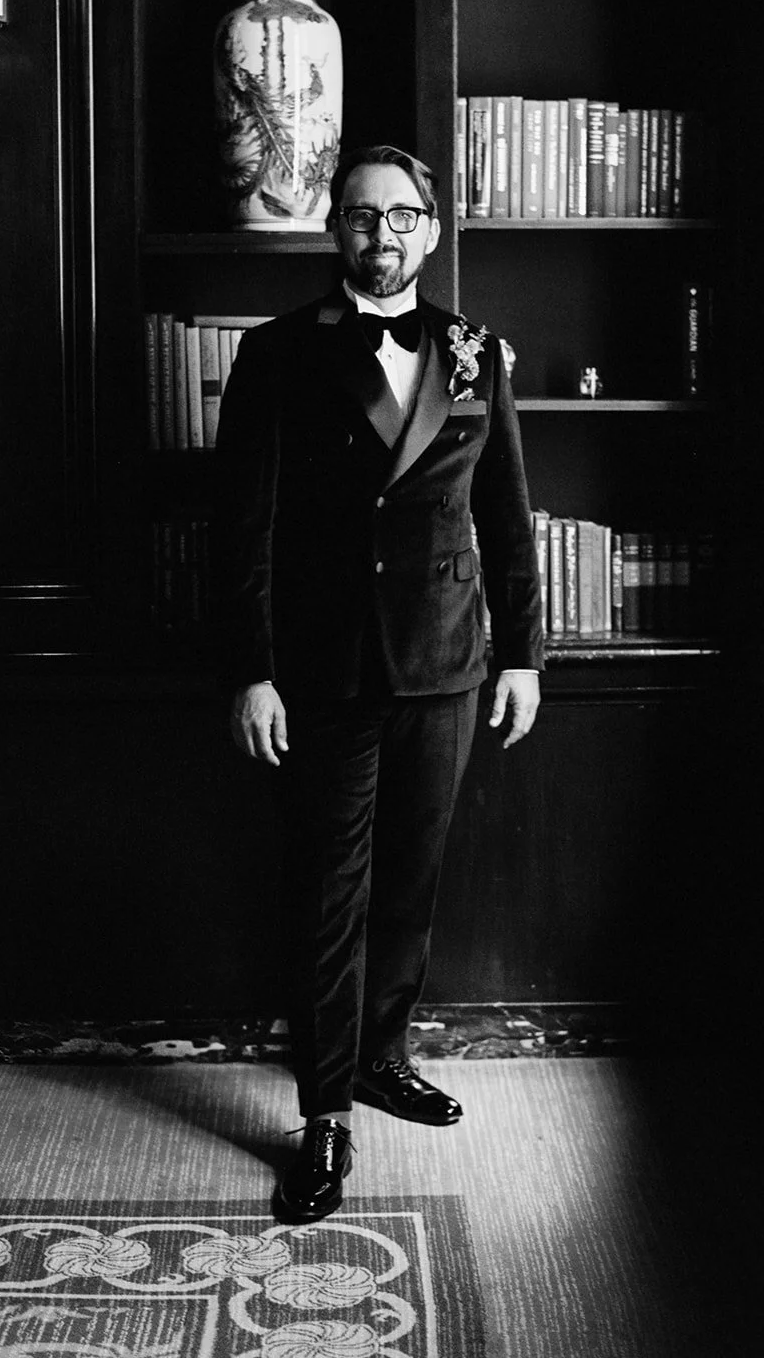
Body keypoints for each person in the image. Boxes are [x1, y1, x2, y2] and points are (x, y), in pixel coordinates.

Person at [214, 144, 543, 1221]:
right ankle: (323, 1116)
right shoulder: (277, 353)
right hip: (325, 671)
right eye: (362, 216)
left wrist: (526, 656)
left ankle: (381, 1053)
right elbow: (244, 531)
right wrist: (251, 672)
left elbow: (504, 517)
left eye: (403, 216)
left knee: (410, 879)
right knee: (328, 894)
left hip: (444, 665)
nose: (383, 234)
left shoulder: (473, 352)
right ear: (334, 231)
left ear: (433, 229)